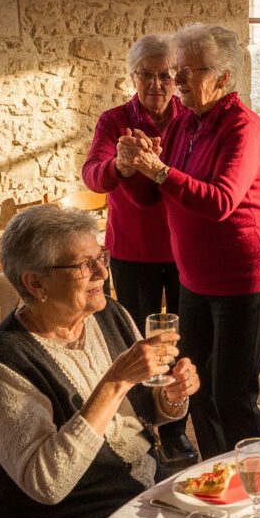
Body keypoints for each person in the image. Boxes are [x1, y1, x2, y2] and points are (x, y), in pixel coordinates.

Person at [0, 206, 200, 518]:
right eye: (84, 265)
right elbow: (48, 484)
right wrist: (115, 381)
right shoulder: (6, 361)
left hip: (138, 493)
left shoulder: (111, 315)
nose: (103, 273)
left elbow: (145, 414)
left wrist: (172, 396)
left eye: (100, 258)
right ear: (36, 284)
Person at [116, 23, 260, 459]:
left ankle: (256, 484)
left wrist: (159, 170)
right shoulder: (187, 120)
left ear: (224, 78)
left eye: (190, 71)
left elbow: (221, 201)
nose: (178, 81)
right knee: (195, 384)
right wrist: (132, 166)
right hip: (194, 273)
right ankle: (215, 477)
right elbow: (152, 197)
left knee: (233, 394)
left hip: (241, 271)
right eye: (178, 69)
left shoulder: (243, 127)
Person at [81, 34, 194, 465]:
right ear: (133, 77)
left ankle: (178, 426)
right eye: (146, 75)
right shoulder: (115, 122)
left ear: (176, 77)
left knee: (182, 342)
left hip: (186, 249)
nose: (156, 84)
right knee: (135, 343)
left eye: (165, 75)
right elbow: (93, 174)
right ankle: (146, 427)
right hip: (133, 250)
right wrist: (121, 165)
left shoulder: (189, 118)